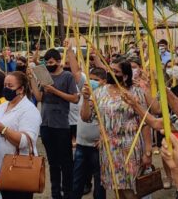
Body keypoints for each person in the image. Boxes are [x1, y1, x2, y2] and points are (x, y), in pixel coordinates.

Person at [82, 58, 151, 199]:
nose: (110, 73)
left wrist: (148, 152)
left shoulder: (135, 92)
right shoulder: (100, 92)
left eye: (115, 71)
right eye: (110, 69)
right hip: (108, 149)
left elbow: (145, 122)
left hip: (129, 148)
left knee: (130, 188)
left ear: (125, 75)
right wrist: (85, 98)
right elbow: (86, 117)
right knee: (116, 187)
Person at [29, 49, 78, 199]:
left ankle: (68, 193)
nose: (49, 65)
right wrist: (32, 78)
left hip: (61, 125)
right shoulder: (45, 75)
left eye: (51, 62)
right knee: (53, 162)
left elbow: (75, 99)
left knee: (66, 163)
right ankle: (56, 194)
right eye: (46, 62)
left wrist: (55, 91)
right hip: (46, 124)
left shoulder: (67, 76)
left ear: (58, 61)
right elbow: (39, 97)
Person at [0, 71, 41, 199]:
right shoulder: (1, 107)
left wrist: (4, 130)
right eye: (5, 85)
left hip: (18, 170)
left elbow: (26, 141)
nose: (6, 88)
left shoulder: (29, 110)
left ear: (21, 89)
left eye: (10, 86)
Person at [72, 68, 108, 199]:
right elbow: (85, 117)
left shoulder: (107, 97)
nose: (92, 82)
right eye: (90, 79)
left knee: (99, 183)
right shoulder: (85, 92)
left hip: (98, 147)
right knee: (77, 181)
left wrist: (105, 138)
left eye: (96, 80)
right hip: (81, 144)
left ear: (104, 82)